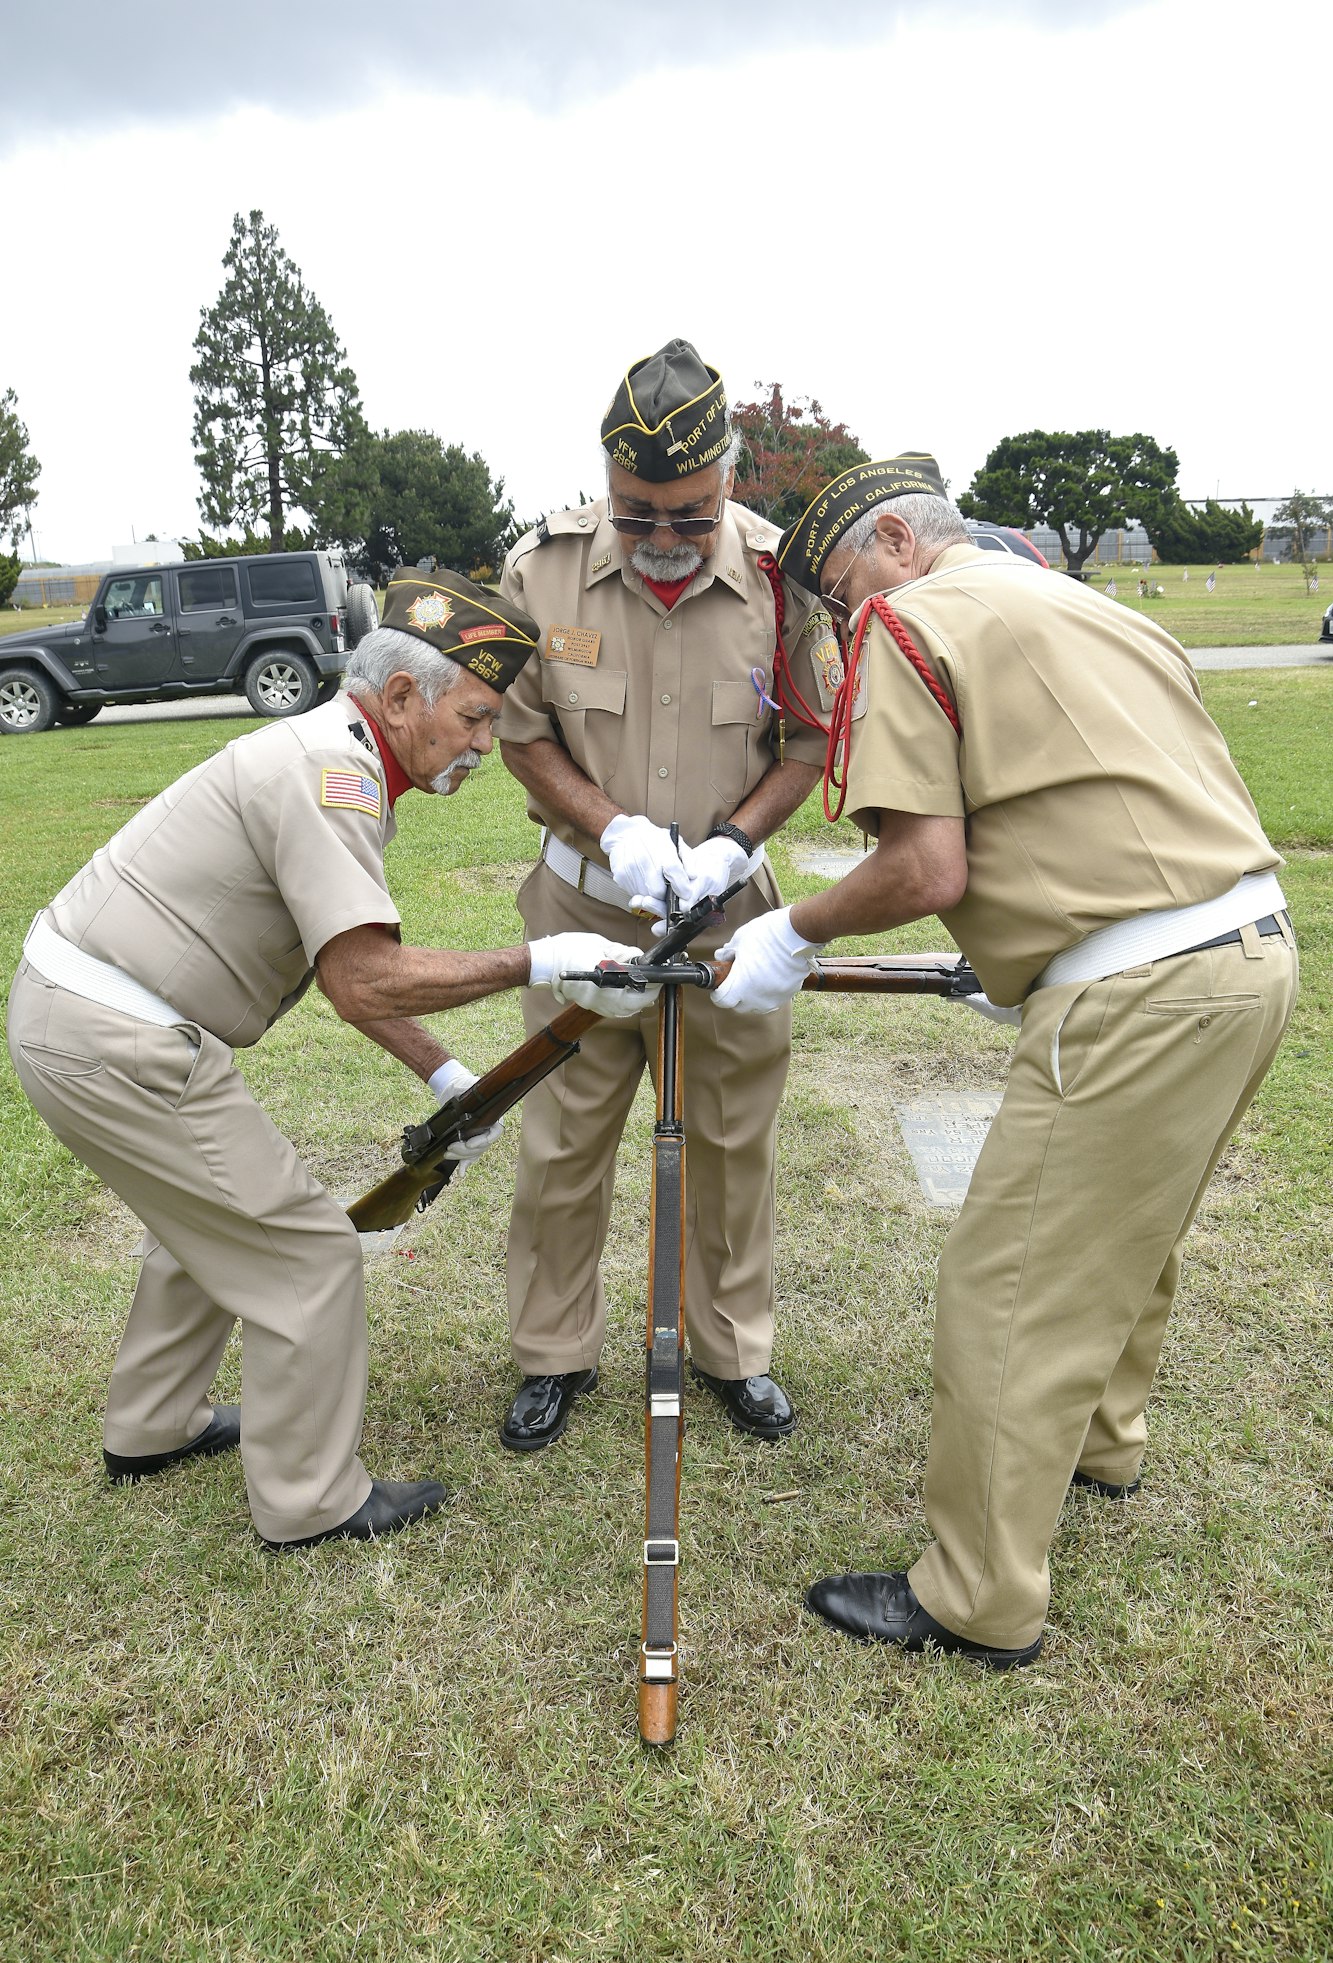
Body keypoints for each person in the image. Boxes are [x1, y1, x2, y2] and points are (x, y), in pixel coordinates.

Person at [712, 457, 1298, 1667]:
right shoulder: (1081, 598)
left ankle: (976, 1594)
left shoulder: (910, 619)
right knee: (1134, 1230)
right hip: (1247, 945)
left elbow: (927, 867)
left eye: (835, 585)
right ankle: (1101, 1442)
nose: (836, 619)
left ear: (890, 543)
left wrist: (788, 931)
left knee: (1010, 1282)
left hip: (1136, 985)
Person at [7, 567, 649, 1552]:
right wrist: (545, 958)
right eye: (475, 719)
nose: (485, 747)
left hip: (80, 1013)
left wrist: (446, 1079)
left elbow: (338, 964)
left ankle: (151, 1426)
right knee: (304, 1250)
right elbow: (364, 977)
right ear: (401, 698)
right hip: (118, 1036)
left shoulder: (325, 751)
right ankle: (310, 1501)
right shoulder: (333, 777)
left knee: (200, 1224)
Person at [494, 337, 841, 1451]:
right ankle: (553, 1352)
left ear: (728, 479)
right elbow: (522, 734)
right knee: (561, 1145)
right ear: (607, 480)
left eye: (687, 516)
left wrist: (737, 841)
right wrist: (615, 831)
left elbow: (807, 738)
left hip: (730, 921)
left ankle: (731, 1351)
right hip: (584, 913)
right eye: (635, 512)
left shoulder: (785, 579)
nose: (659, 541)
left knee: (731, 1149)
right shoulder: (539, 571)